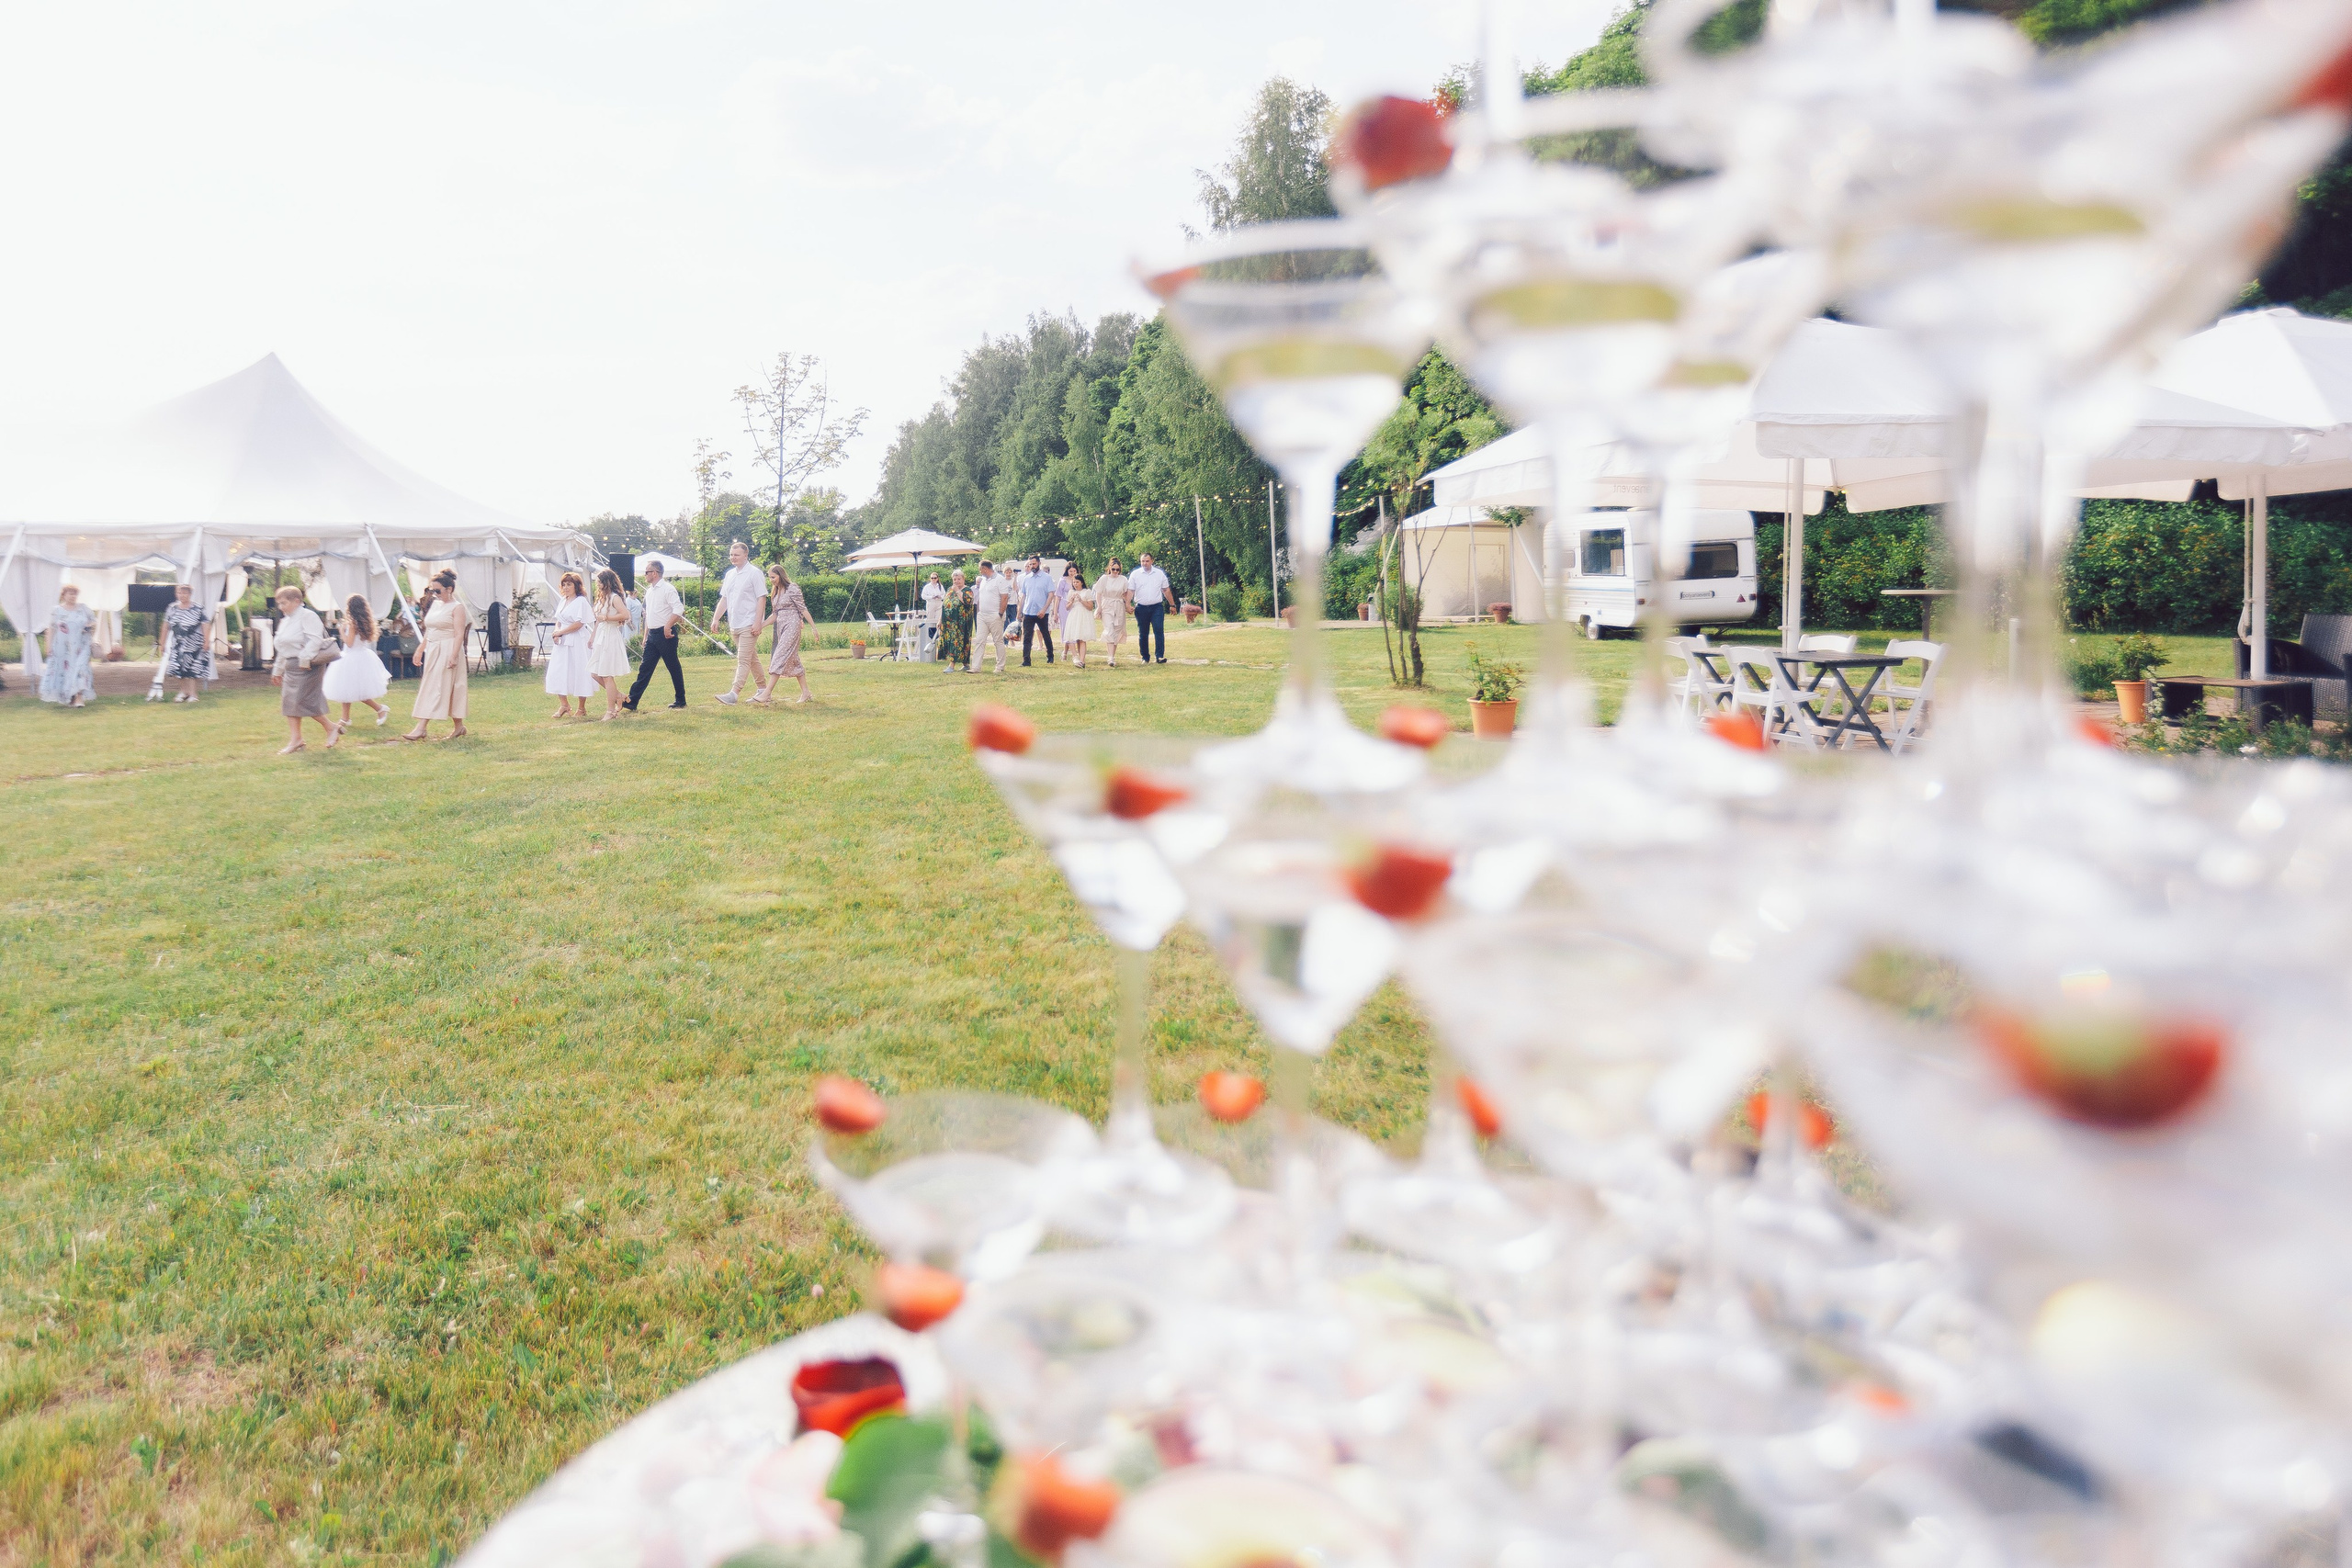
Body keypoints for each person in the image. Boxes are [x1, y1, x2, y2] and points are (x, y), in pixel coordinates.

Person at [269, 584, 335, 752]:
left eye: (284, 603)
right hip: (291, 666)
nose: (280, 607)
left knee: (303, 701)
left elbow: (315, 640)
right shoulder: (285, 621)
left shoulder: (308, 616)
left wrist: (305, 659)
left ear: (297, 601)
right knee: (289, 703)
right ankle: (296, 739)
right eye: (279, 604)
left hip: (307, 666)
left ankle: (330, 727)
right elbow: (283, 648)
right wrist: (278, 670)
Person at [322, 595, 392, 740]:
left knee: (357, 691)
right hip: (359, 656)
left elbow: (349, 643)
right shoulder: (363, 622)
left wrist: (341, 631)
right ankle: (345, 717)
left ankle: (380, 709)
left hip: (352, 657)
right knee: (346, 689)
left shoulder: (352, 624)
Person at [624, 558, 686, 711]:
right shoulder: (650, 591)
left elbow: (678, 609)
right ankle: (632, 700)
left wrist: (668, 626)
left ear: (655, 573)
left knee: (673, 667)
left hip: (666, 634)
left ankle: (681, 699)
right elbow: (648, 615)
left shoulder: (668, 589)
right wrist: (646, 635)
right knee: (645, 668)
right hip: (653, 634)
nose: (645, 575)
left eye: (647, 572)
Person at [712, 541, 767, 705]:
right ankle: (764, 690)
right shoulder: (730, 575)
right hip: (734, 624)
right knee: (751, 659)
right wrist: (716, 618)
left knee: (742, 659)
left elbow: (761, 598)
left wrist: (758, 622)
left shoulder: (754, 573)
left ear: (745, 555)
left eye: (736, 555)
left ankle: (734, 694)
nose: (732, 557)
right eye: (731, 554)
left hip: (749, 623)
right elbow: (725, 599)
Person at [754, 563, 813, 705]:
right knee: (793, 659)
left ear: (781, 575)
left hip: (792, 625)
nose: (771, 580)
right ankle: (806, 692)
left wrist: (813, 627)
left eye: (773, 577)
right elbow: (775, 614)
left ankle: (766, 693)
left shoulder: (792, 588)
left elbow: (802, 608)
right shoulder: (775, 592)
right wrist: (760, 625)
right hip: (781, 626)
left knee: (779, 656)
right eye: (770, 578)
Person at [543, 570, 595, 719]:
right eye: (564, 584)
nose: (566, 587)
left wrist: (561, 632)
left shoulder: (581, 601)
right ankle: (564, 704)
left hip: (577, 640)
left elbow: (579, 623)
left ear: (576, 586)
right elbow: (559, 620)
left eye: (569, 584)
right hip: (562, 641)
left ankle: (582, 707)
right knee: (558, 671)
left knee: (579, 670)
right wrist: (556, 632)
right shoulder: (563, 601)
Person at [39, 584, 97, 707]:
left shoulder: (84, 609)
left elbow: (93, 621)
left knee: (81, 669)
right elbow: (51, 629)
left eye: (75, 594)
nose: (73, 596)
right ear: (64, 595)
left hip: (81, 646)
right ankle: (71, 696)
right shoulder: (56, 610)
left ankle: (80, 697)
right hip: (62, 647)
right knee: (65, 671)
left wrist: (88, 626)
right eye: (70, 594)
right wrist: (48, 647)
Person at [588, 567, 632, 721]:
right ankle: (618, 695)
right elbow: (597, 620)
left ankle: (610, 710)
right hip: (601, 634)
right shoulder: (602, 598)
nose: (597, 584)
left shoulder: (614, 597)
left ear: (607, 582)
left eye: (600, 582)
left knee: (606, 674)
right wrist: (592, 636)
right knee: (594, 673)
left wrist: (606, 617)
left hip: (611, 636)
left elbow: (625, 615)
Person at [159, 581, 214, 702]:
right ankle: (184, 691)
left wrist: (206, 641)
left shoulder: (198, 608)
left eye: (184, 593)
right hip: (177, 643)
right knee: (176, 667)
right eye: (179, 593)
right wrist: (162, 643)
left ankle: (193, 694)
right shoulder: (172, 608)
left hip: (194, 643)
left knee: (192, 669)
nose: (182, 595)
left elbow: (205, 625)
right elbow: (165, 626)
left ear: (189, 594)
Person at [970, 559, 1013, 674]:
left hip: (995, 615)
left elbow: (1004, 597)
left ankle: (1000, 667)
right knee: (979, 640)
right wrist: (979, 611)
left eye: (981, 569)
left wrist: (999, 613)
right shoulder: (983, 580)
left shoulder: (1000, 580)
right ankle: (976, 667)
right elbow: (981, 597)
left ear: (985, 568)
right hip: (982, 615)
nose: (980, 571)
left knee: (998, 641)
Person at [1130, 551, 1172, 665]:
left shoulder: (1159, 574)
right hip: (1141, 607)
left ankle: (1159, 656)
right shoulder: (1135, 574)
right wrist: (1127, 605)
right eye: (1142, 561)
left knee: (1158, 630)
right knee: (1143, 633)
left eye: (1147, 561)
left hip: (1156, 607)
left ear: (1152, 561)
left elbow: (1166, 590)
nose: (1145, 563)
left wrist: (1172, 605)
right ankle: (1145, 657)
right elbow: (1131, 590)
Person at [1016, 554, 1057, 667]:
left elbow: (1051, 595)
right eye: (1030, 564)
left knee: (1045, 635)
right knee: (1027, 637)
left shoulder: (1046, 578)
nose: (1032, 566)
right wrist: (1019, 612)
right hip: (1028, 611)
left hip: (1042, 612)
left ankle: (1050, 656)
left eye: (1034, 564)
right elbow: (1023, 596)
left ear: (1038, 563)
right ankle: (1026, 660)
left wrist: (1044, 609)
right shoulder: (1026, 579)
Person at [1093, 557, 1132, 668]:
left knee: (1117, 630)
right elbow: (1098, 593)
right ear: (1109, 568)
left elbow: (1125, 594)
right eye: (1114, 569)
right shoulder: (1104, 579)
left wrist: (1128, 605)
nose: (1115, 571)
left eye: (1117, 569)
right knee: (1109, 629)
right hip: (1107, 605)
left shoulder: (1123, 579)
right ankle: (1110, 657)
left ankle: (1112, 656)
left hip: (1119, 605)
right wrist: (1099, 607)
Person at [935, 569, 976, 672]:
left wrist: (958, 591)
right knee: (953, 642)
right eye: (954, 579)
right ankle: (965, 664)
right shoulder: (949, 589)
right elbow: (944, 605)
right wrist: (940, 620)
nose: (956, 581)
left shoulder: (967, 590)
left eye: (959, 579)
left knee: (958, 642)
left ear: (963, 579)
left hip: (961, 623)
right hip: (948, 622)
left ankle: (951, 666)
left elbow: (967, 602)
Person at [1061, 578, 1099, 669]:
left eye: (1077, 582)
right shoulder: (1071, 592)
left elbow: (1090, 607)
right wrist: (1072, 601)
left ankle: (1082, 661)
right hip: (1074, 615)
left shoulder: (1087, 591)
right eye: (1074, 582)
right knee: (1073, 637)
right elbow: (1067, 607)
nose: (1075, 584)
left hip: (1083, 615)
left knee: (1082, 638)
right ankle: (1076, 657)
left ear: (1081, 582)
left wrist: (1081, 601)